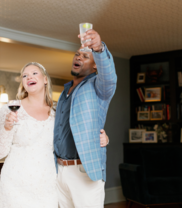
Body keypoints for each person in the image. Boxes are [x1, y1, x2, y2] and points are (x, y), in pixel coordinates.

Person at [0, 62, 110, 208]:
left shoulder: (56, 112)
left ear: (45, 79)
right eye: (25, 75)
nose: (29, 77)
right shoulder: (11, 110)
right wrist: (7, 128)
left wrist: (103, 138)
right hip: (15, 184)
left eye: (34, 73)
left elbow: (76, 135)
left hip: (47, 186)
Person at [54, 29, 117, 208]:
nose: (78, 58)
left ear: (95, 65)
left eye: (85, 56)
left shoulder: (99, 87)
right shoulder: (64, 93)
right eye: (77, 54)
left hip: (84, 170)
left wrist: (98, 49)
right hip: (60, 170)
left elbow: (110, 77)